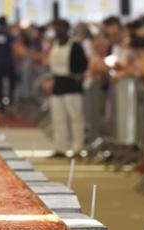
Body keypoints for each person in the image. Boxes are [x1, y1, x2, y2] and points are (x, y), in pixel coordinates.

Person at [48, 19, 88, 156]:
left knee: (75, 117)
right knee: (58, 118)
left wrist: (80, 79)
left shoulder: (75, 46)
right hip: (58, 83)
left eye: (60, 28)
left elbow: (82, 65)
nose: (58, 31)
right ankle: (60, 146)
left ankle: (78, 147)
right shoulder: (54, 45)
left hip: (71, 84)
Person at [0, 17, 16, 115]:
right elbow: (13, 48)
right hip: (8, 62)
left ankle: (1, 106)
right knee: (11, 85)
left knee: (0, 85)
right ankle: (10, 104)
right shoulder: (9, 34)